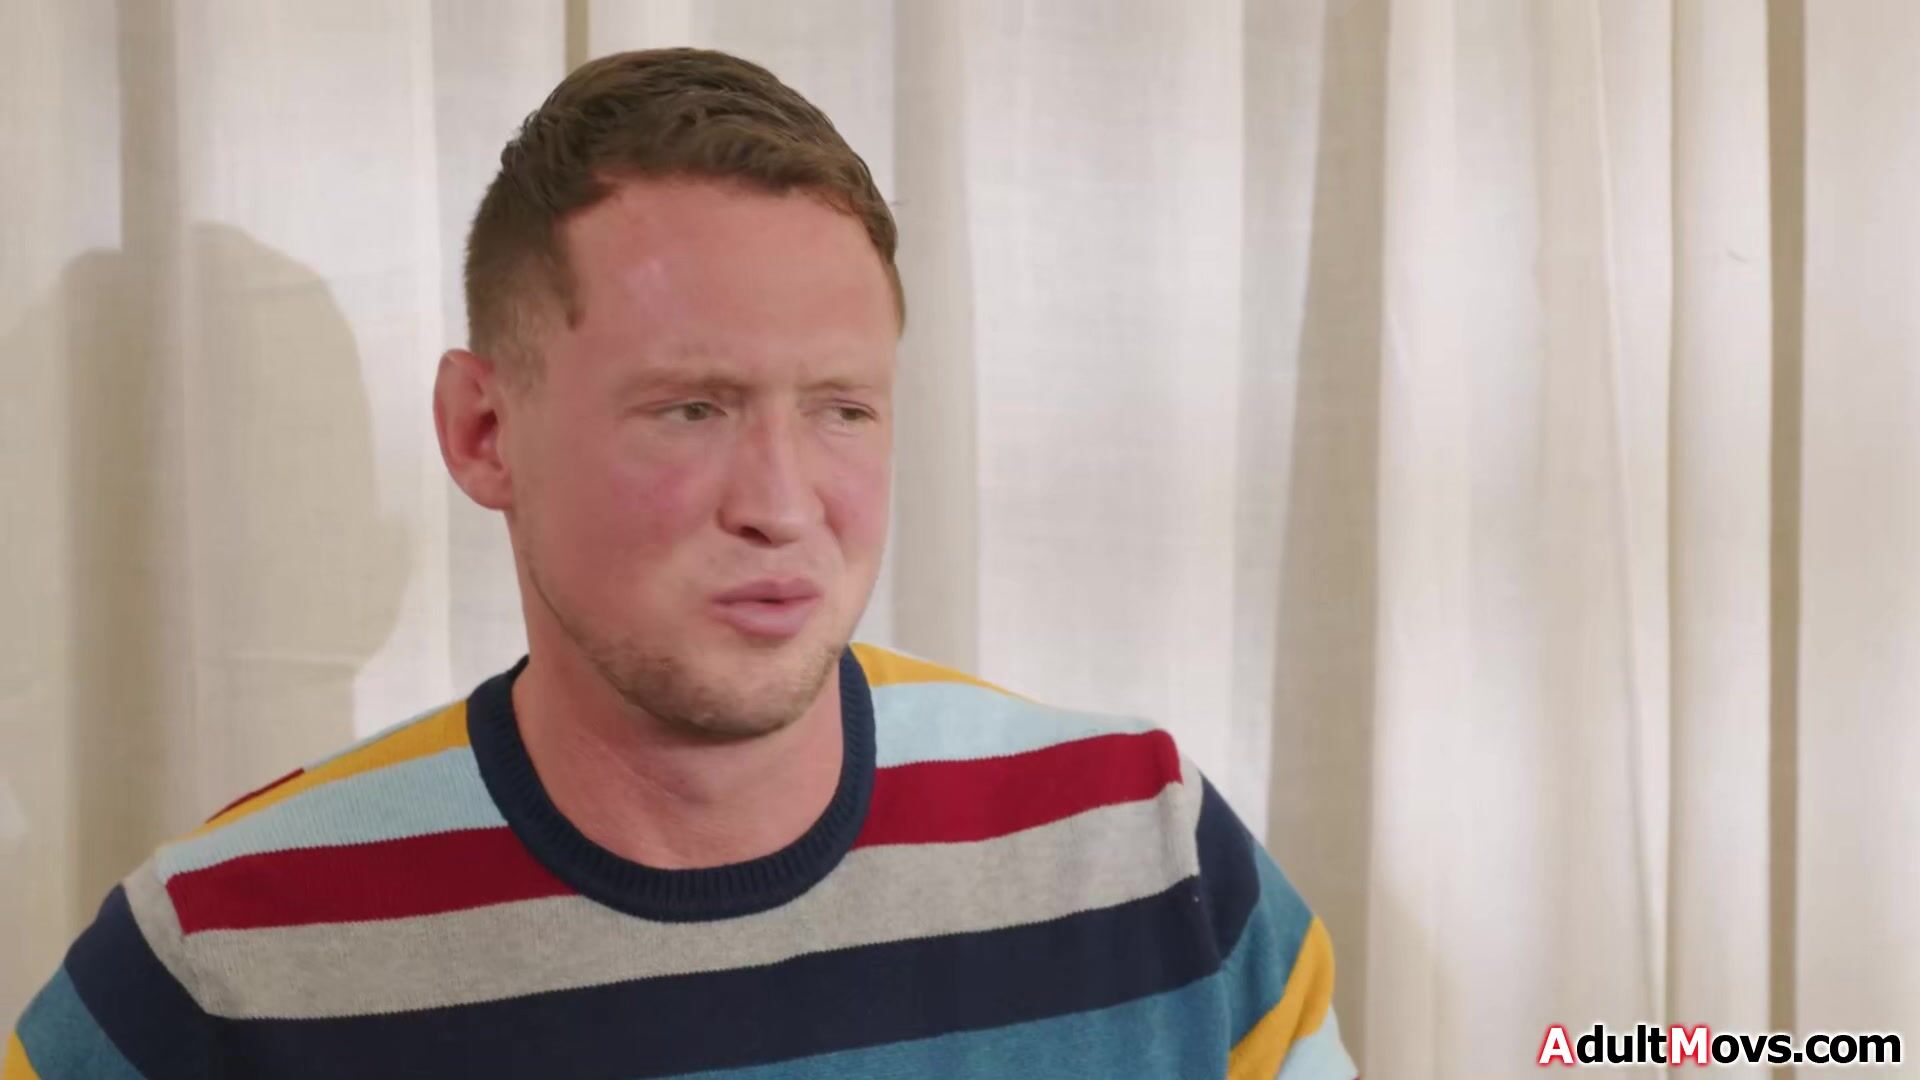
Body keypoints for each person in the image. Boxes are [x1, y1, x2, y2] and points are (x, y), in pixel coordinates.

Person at [4, 47, 1356, 1079]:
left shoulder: (1150, 858)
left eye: (842, 409)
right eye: (690, 409)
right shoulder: (220, 963)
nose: (782, 505)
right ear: (484, 432)